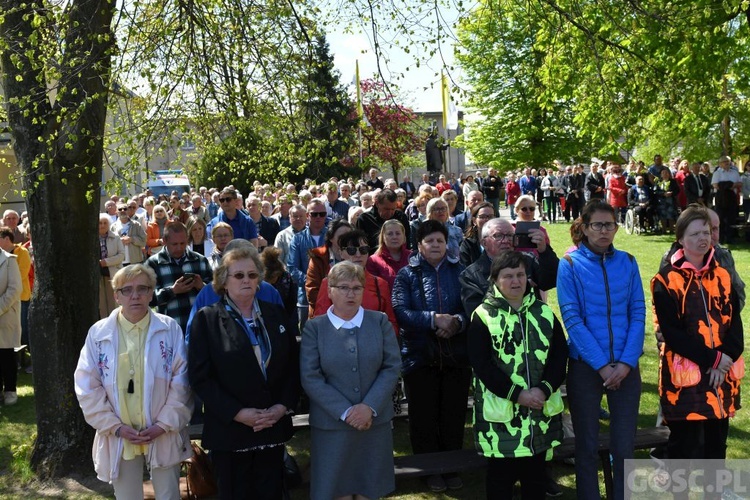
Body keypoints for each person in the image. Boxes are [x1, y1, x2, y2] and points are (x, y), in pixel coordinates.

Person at [188, 246, 300, 499]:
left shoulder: (276, 314)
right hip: (231, 433)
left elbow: (293, 366)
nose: (246, 280)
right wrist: (238, 413)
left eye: (252, 274)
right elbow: (200, 378)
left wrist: (282, 407)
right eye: (238, 275)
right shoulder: (207, 320)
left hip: (272, 426)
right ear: (223, 281)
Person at [74, 264, 192, 498]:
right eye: (126, 290)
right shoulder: (98, 333)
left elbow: (182, 382)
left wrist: (164, 424)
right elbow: (87, 386)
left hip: (162, 430)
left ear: (152, 293)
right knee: (127, 496)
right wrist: (114, 427)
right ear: (116, 296)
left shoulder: (169, 329)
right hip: (120, 434)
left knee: (169, 494)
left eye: (142, 288)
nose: (135, 295)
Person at [556, 200, 645, 500]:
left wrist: (626, 362)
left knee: (624, 447)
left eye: (610, 225)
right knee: (587, 446)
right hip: (585, 367)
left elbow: (638, 312)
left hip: (625, 367)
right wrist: (602, 366)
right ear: (584, 227)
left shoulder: (629, 262)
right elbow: (572, 318)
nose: (604, 231)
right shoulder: (569, 265)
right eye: (598, 225)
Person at [651, 206, 743, 489]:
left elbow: (735, 325)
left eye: (706, 232)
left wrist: (724, 358)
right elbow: (673, 334)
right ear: (680, 238)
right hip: (685, 382)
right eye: (695, 233)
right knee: (683, 451)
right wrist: (713, 359)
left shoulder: (723, 275)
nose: (703, 238)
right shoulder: (665, 280)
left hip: (721, 380)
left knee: (716, 451)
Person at [468, 251, 568, 500]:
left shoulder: (544, 313)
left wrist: (544, 389)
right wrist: (518, 394)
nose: (516, 281)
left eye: (521, 275)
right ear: (495, 280)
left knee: (536, 482)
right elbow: (482, 366)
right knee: (500, 482)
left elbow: (559, 356)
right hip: (502, 421)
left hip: (539, 418)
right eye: (508, 276)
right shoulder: (483, 316)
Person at [301, 261, 400, 499]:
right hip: (332, 426)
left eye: (357, 288)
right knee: (338, 491)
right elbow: (310, 377)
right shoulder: (315, 328)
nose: (351, 293)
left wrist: (369, 407)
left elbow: (391, 366)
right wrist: (346, 412)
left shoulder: (379, 321)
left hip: (374, 423)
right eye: (343, 287)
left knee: (370, 489)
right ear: (330, 290)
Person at [392, 220, 469, 493]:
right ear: (419, 246)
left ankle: (450, 466)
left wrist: (457, 322)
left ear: (447, 243)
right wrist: (433, 319)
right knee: (423, 417)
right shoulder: (406, 275)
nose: (435, 245)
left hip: (455, 356)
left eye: (439, 240)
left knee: (452, 414)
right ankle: (429, 471)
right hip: (419, 356)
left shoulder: (461, 272)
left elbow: (472, 308)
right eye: (429, 241)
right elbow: (401, 312)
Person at [460, 217, 559, 319]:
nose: (506, 240)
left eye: (510, 235)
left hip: (532, 325)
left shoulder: (528, 260)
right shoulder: (470, 276)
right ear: (484, 243)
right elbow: (476, 313)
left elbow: (551, 280)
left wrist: (544, 251)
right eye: (498, 236)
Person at [313, 230, 398, 335]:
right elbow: (320, 320)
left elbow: (391, 322)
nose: (358, 255)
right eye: (352, 250)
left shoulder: (380, 284)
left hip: (373, 343)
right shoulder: (328, 282)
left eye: (363, 250)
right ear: (341, 253)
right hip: (338, 342)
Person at [146, 221, 213, 335]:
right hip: (168, 329)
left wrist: (202, 287)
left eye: (182, 243)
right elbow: (146, 298)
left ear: (187, 240)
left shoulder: (200, 260)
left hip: (199, 327)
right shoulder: (153, 264)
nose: (179, 248)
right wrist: (172, 291)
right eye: (174, 244)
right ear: (165, 241)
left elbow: (215, 294)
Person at [305, 219, 353, 317]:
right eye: (342, 236)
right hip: (325, 314)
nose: (347, 239)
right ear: (331, 238)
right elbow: (312, 291)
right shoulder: (318, 258)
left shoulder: (357, 255)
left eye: (350, 236)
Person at [366, 220, 410, 291]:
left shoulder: (412, 257)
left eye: (398, 233)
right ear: (383, 237)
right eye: (390, 234)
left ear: (403, 236)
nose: (394, 237)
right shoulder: (373, 261)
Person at [98, 214, 126, 319]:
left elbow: (121, 255)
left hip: (113, 273)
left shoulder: (115, 237)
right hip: (98, 274)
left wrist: (105, 262)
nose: (102, 225)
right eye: (100, 223)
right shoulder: (91, 239)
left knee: (113, 300)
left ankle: (116, 321)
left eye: (105, 223)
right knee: (101, 303)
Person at [711, 156, 742, 244]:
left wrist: (730, 186)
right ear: (720, 164)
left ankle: (730, 238)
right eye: (724, 161)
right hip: (721, 197)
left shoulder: (734, 172)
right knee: (720, 218)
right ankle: (720, 238)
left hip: (732, 197)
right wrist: (728, 185)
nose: (727, 163)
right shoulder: (717, 173)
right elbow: (715, 185)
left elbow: (739, 183)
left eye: (728, 161)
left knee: (731, 218)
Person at [458, 201, 495, 267]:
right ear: (474, 221)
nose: (487, 219)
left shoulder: (501, 241)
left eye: (490, 216)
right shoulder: (467, 245)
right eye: (482, 217)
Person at [654, 167, 680, 233]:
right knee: (663, 216)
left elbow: (677, 190)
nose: (665, 174)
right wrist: (663, 193)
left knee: (671, 215)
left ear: (668, 174)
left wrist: (672, 193)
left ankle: (671, 229)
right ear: (661, 175)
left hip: (671, 201)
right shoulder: (658, 182)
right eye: (663, 173)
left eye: (666, 173)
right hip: (662, 202)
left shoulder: (673, 181)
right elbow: (655, 191)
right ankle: (664, 229)